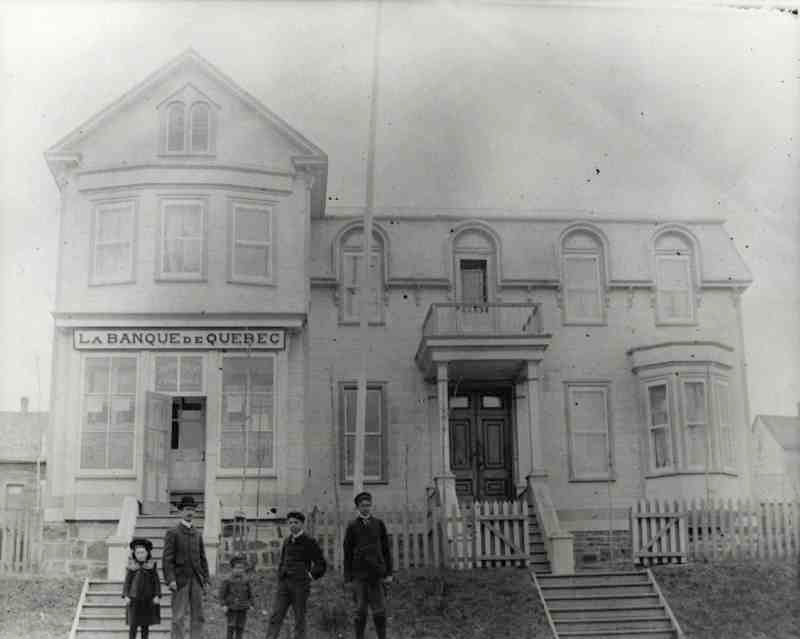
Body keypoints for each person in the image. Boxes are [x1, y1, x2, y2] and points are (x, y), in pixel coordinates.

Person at [265, 510, 327, 639]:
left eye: (296, 522)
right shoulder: (287, 540)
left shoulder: (309, 541)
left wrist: (310, 576)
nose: (292, 525)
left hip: (300, 586)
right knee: (276, 615)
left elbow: (321, 564)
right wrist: (281, 574)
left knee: (299, 618)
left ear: (302, 524)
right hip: (284, 584)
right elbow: (282, 560)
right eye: (290, 522)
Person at [343, 492, 393, 639]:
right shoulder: (352, 526)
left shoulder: (378, 524)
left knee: (380, 611)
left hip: (376, 574)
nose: (366, 508)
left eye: (368, 505)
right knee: (360, 611)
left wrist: (389, 573)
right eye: (362, 506)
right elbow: (347, 553)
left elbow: (386, 550)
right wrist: (348, 577)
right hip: (359, 575)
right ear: (357, 507)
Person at [162, 495, 209, 639]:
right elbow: (167, 559)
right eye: (187, 509)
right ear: (181, 511)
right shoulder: (173, 532)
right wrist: (171, 580)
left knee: (198, 616)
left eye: (192, 510)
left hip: (196, 580)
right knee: (178, 617)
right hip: (180, 581)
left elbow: (202, 558)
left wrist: (206, 578)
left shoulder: (197, 533)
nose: (190, 512)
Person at [122, 537, 161, 639]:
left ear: (147, 553)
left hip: (147, 599)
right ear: (134, 554)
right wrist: (126, 595)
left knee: (145, 625)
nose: (140, 555)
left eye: (142, 552)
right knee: (133, 625)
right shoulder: (132, 567)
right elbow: (127, 582)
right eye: (138, 553)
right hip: (134, 599)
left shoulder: (151, 566)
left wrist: (157, 595)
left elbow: (156, 581)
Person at [219, 554, 254, 639]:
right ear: (232, 569)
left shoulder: (246, 580)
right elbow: (222, 594)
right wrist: (223, 605)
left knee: (240, 627)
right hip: (231, 608)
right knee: (231, 626)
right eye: (237, 568)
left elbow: (250, 593)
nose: (239, 570)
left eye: (241, 568)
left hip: (243, 608)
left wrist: (251, 604)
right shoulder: (227, 580)